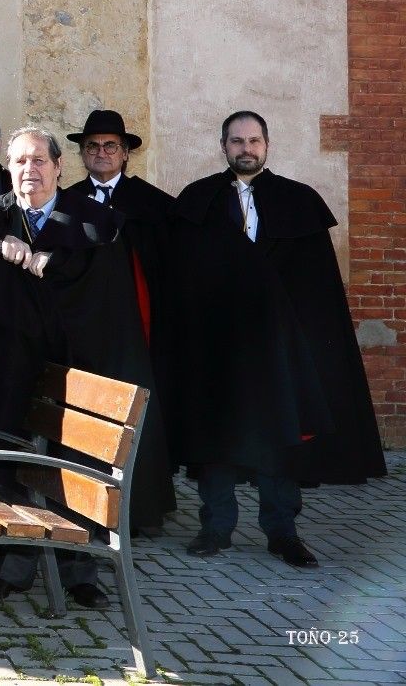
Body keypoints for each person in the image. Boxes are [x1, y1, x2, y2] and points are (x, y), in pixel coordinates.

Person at [161, 111, 385, 568]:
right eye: (237, 141)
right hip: (217, 347)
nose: (246, 148)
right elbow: (180, 281)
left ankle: (282, 532)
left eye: (254, 140)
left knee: (281, 438)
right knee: (216, 437)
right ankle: (215, 528)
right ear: (223, 146)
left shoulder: (298, 202)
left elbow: (317, 289)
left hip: (278, 351)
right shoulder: (198, 199)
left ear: (267, 144)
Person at [0, 127, 166, 610]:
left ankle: (80, 570)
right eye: (18, 162)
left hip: (76, 366)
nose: (28, 170)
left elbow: (102, 303)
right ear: (6, 169)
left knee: (76, 469)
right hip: (10, 364)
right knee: (14, 463)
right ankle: (14, 564)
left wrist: (52, 264)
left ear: (58, 167)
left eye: (38, 161)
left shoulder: (95, 222)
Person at [64, 109, 175, 396]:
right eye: (92, 145)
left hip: (138, 318)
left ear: (125, 153)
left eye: (110, 145)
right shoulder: (66, 202)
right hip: (86, 318)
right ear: (82, 154)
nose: (101, 152)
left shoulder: (155, 204)